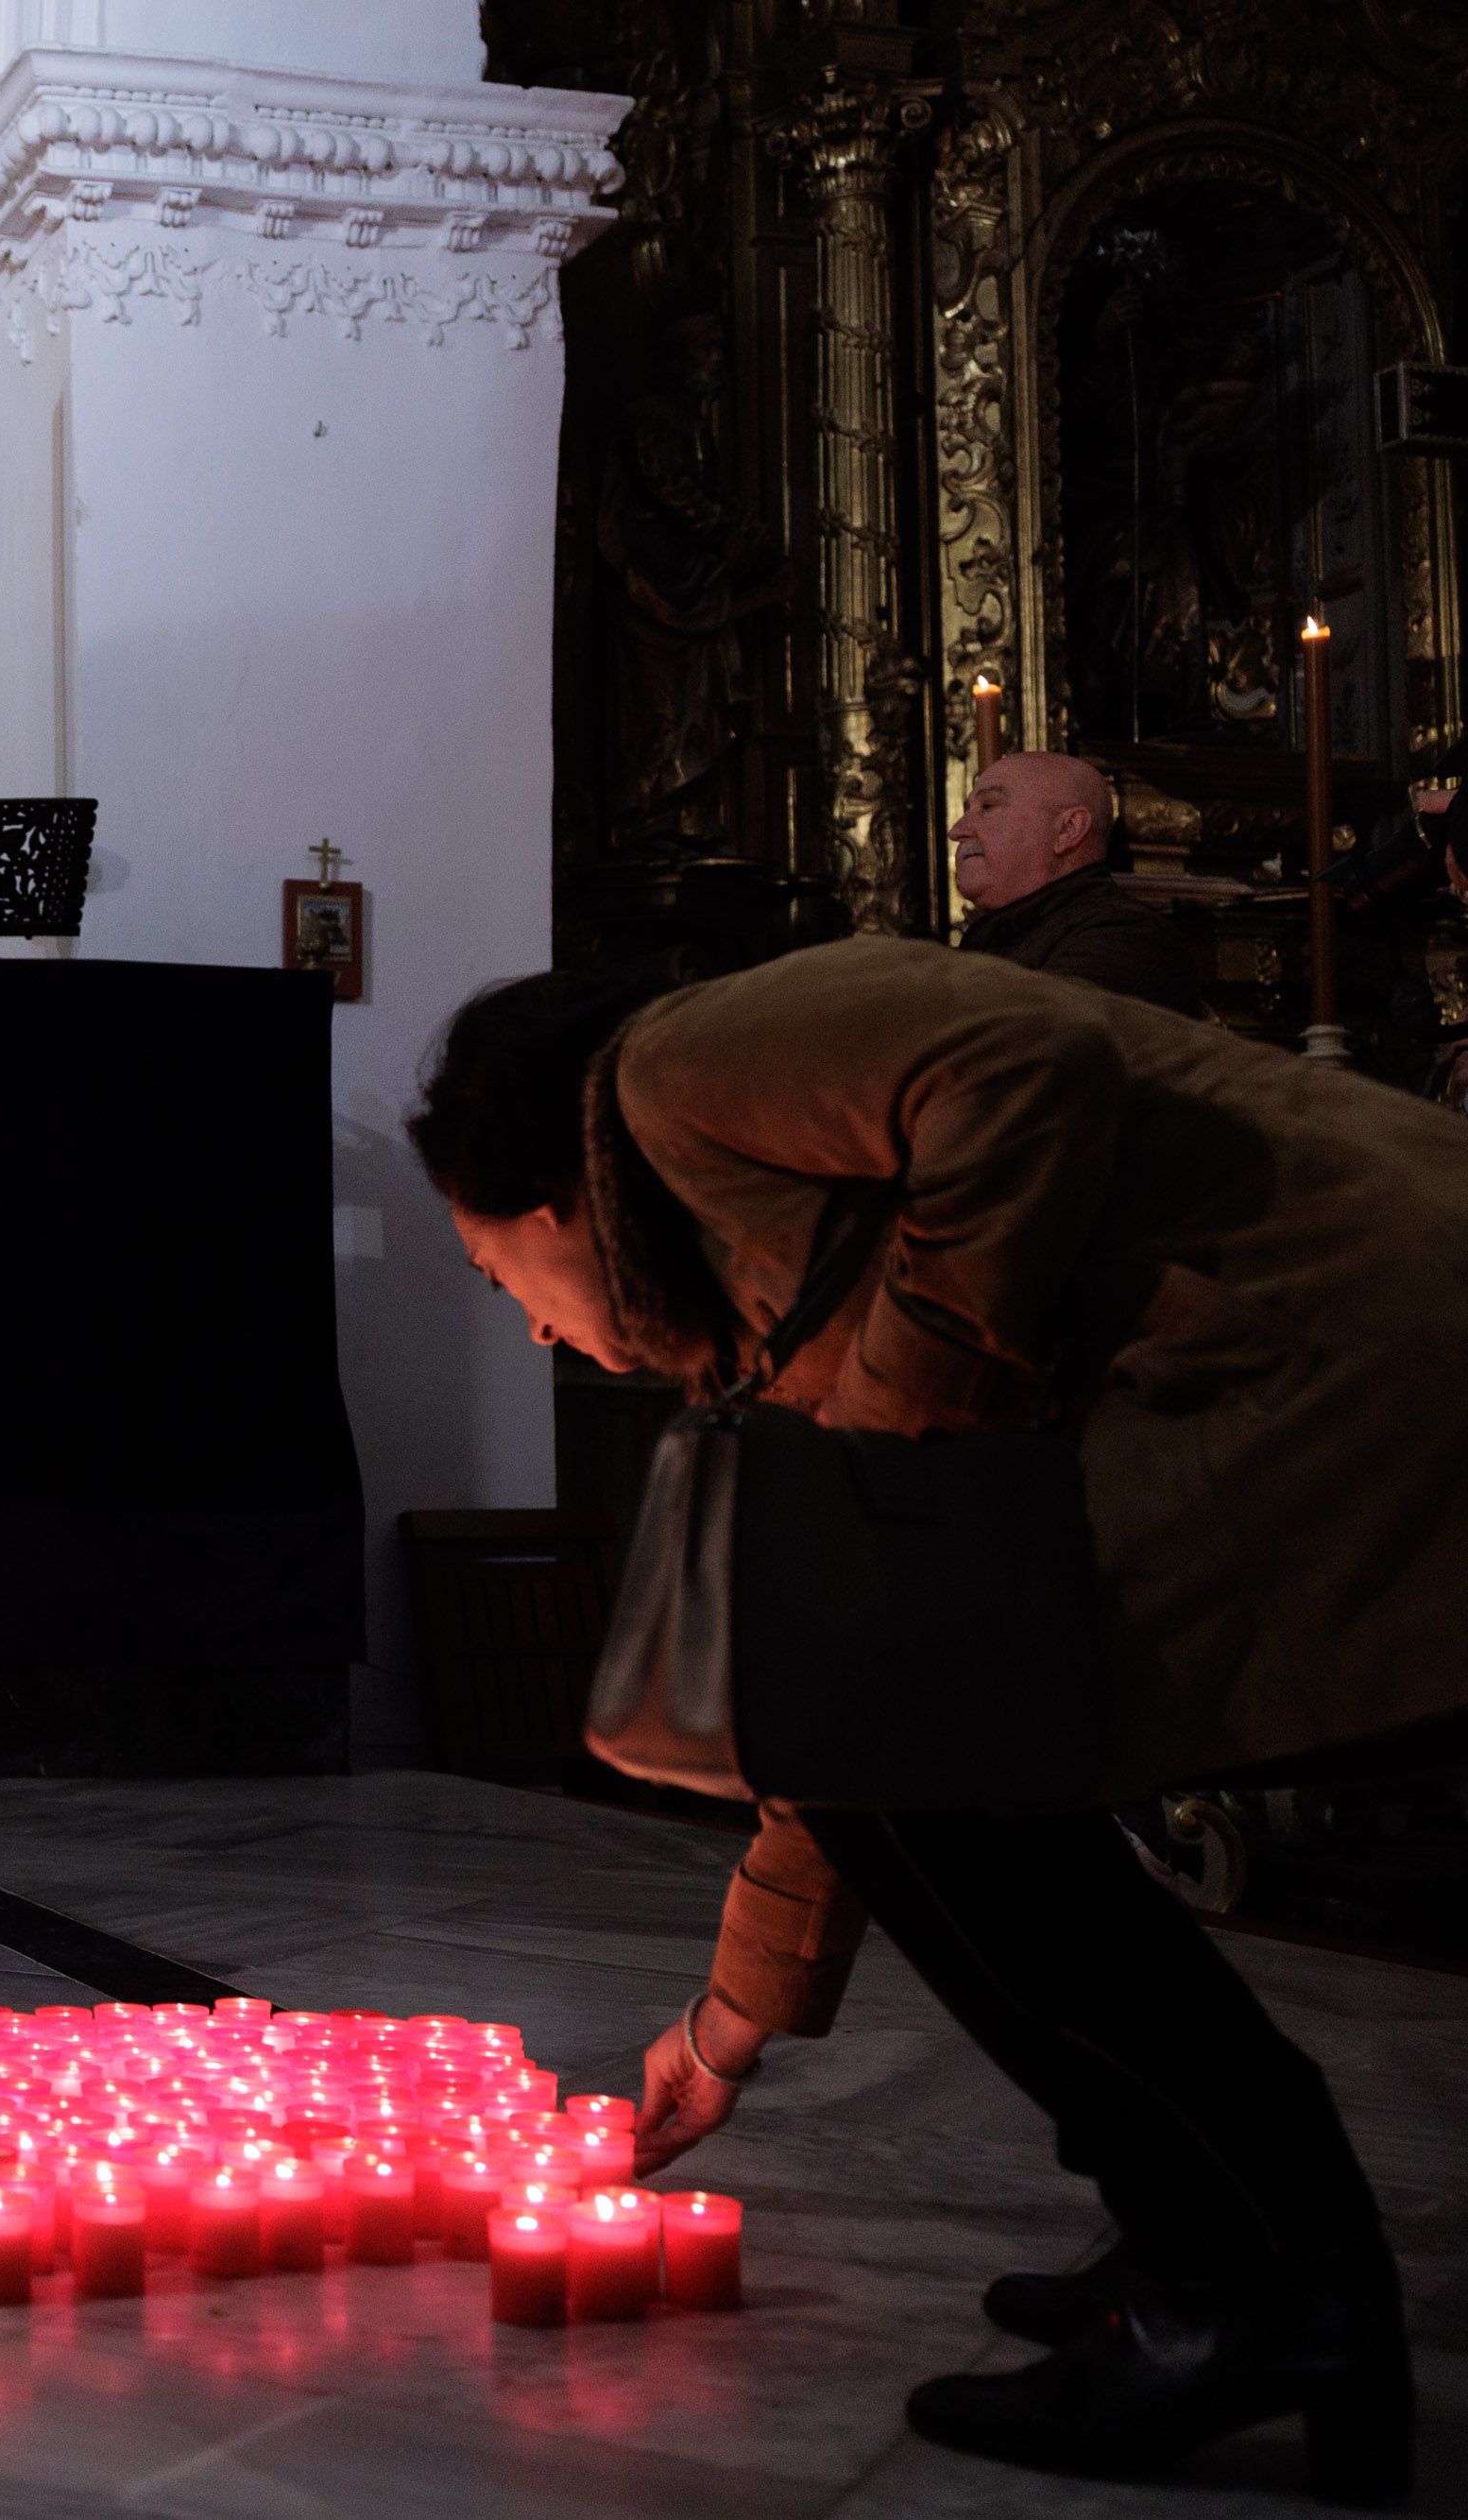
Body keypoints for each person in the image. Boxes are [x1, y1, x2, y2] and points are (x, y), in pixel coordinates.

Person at [412, 940, 1463, 2503]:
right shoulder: (747, 1293)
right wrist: (731, 2017)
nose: (532, 1329)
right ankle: (1216, 2248)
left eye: (493, 1274)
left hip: (1355, 1349)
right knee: (924, 1776)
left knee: (964, 1809)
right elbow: (851, 1706)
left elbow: (1020, 1068)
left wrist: (902, 1419)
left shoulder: (670, 1068)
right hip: (1289, 1381)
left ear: (555, 1205)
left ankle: (1252, 2290)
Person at [947, 751, 1204, 1013]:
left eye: (988, 807)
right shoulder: (997, 935)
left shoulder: (1129, 938)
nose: (956, 831)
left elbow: (1034, 1030)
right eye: (967, 810)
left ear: (1068, 829)